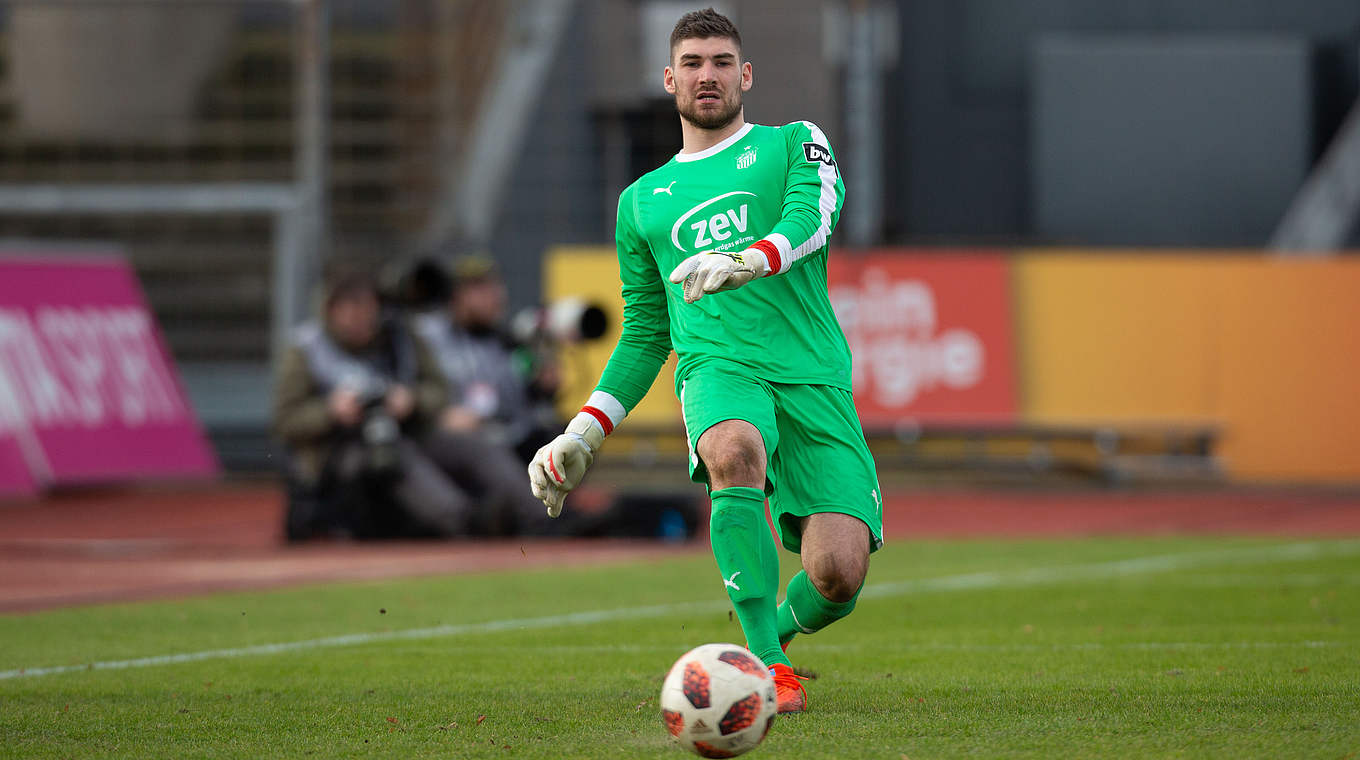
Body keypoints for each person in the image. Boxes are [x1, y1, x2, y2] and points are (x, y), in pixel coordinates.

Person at [527, 8, 882, 715]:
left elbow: (815, 219)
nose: (707, 75)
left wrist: (748, 261)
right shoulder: (641, 203)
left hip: (812, 376)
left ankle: (756, 643)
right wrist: (583, 432)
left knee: (838, 573)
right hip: (719, 370)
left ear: (745, 75)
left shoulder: (793, 144)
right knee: (731, 446)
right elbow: (645, 334)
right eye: (692, 64)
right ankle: (771, 673)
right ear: (669, 80)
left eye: (721, 62)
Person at [273, 266, 474, 540]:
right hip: (334, 453)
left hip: (404, 432)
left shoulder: (400, 339)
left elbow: (439, 390)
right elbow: (285, 420)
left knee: (467, 443)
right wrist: (331, 412)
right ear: (330, 310)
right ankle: (460, 518)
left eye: (366, 308)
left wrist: (411, 400)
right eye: (350, 308)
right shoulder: (306, 350)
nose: (360, 318)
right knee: (392, 455)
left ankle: (531, 509)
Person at [413, 254, 561, 464]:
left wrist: (542, 387)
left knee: (568, 440)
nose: (496, 297)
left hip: (503, 439)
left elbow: (518, 406)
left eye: (496, 287)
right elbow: (411, 384)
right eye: (482, 289)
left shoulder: (505, 342)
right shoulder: (427, 335)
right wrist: (438, 416)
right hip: (446, 440)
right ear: (457, 294)